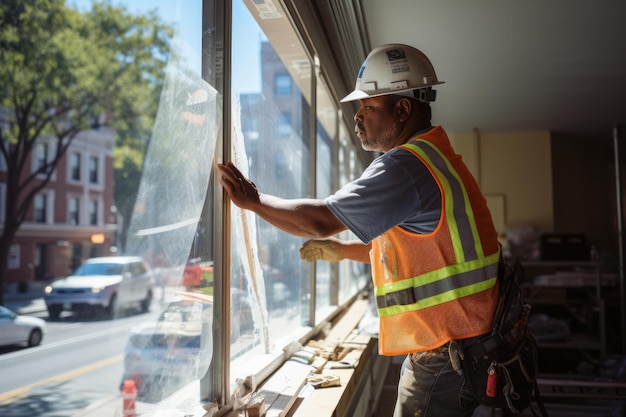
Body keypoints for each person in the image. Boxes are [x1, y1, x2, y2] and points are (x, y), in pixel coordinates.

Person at [218, 43, 501, 417]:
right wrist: (341, 251)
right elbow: (419, 254)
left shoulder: (406, 165)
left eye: (368, 106)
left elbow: (321, 220)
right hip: (465, 344)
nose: (357, 117)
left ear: (402, 108)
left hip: (447, 353)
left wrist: (254, 202)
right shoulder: (436, 156)